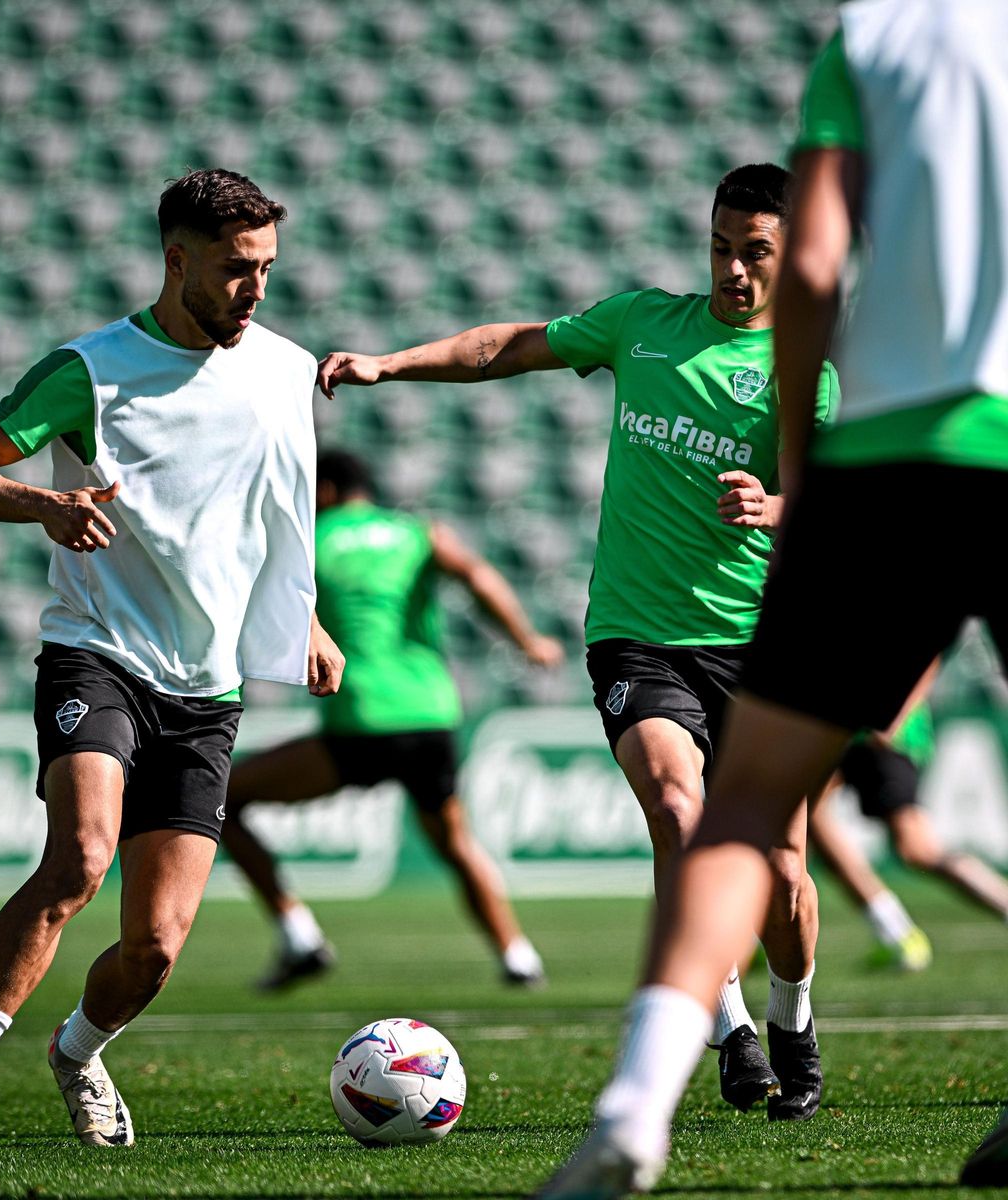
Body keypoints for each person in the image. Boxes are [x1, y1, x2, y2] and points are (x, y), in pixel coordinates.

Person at [540, 3, 1008, 1194]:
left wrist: (807, 473)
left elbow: (811, 269)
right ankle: (732, 1040)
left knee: (750, 821)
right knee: (704, 810)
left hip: (903, 453)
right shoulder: (656, 323)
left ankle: (638, 1107)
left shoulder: (880, 43)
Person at [318, 163, 838, 1118]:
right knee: (678, 813)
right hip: (637, 636)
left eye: (754, 252)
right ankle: (728, 1030)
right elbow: (501, 348)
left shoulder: (810, 369)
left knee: (785, 876)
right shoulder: (643, 322)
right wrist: (390, 363)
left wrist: (777, 505)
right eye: (720, 247)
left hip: (763, 643)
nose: (732, 270)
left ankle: (793, 1014)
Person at [0, 168, 344, 1158]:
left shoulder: (282, 369)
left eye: (269, 267)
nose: (256, 289)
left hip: (207, 683)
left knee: (153, 951)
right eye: (236, 269)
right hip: (97, 653)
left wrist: (305, 618)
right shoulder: (87, 370)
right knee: (81, 858)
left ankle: (78, 1052)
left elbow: (280, 506)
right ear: (176, 260)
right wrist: (46, 505)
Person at [221, 447, 562, 990]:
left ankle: (298, 934)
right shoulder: (417, 532)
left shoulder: (310, 542)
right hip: (430, 714)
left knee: (227, 800)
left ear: (327, 491)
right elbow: (477, 574)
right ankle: (517, 956)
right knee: (455, 843)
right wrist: (528, 641)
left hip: (361, 719)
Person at [812, 696, 1008, 971]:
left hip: (883, 730)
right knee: (805, 814)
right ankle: (894, 931)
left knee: (918, 848)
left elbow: (930, 662)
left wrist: (897, 714)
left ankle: (898, 932)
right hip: (843, 730)